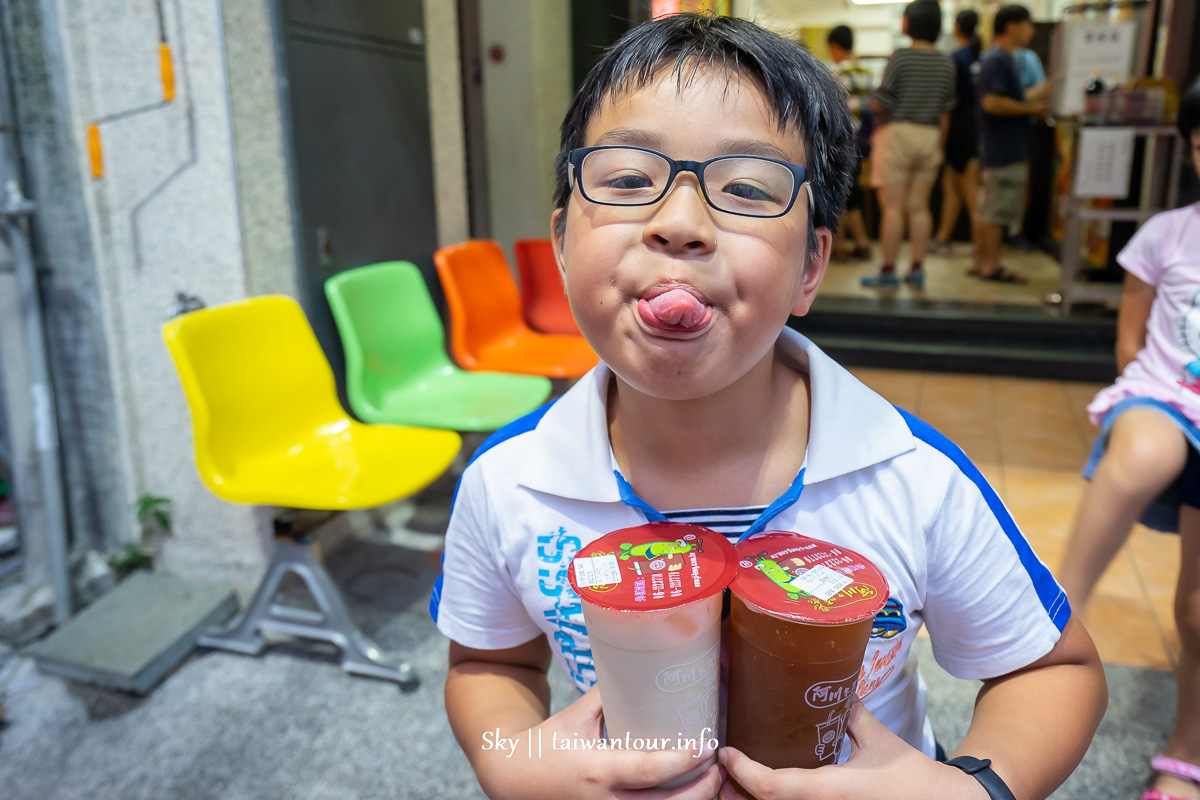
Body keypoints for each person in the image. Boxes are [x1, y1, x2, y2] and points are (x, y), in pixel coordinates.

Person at [434, 13, 1106, 800]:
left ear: (811, 267)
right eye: (624, 180)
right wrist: (503, 758)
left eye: (747, 189)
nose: (679, 224)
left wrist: (972, 789)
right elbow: (490, 662)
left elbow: (1054, 670)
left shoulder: (910, 479)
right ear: (559, 240)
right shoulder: (507, 482)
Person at [1057, 79, 1200, 800]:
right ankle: (1054, 615)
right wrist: (1144, 391)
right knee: (1143, 451)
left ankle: (1188, 749)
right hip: (1166, 395)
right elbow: (1131, 335)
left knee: (1198, 608)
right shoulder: (1167, 233)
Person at [862, 0, 956, 290]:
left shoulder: (901, 57)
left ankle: (888, 271)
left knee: (893, 208)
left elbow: (881, 102)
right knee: (920, 206)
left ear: (907, 23)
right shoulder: (946, 61)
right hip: (930, 136)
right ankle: (917, 269)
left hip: (898, 135)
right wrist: (940, 145)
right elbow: (946, 110)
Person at [972, 4, 1047, 284]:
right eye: (1028, 23)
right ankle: (991, 265)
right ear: (1013, 25)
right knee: (996, 211)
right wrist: (1031, 110)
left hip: (997, 149)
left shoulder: (998, 58)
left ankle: (981, 263)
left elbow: (1008, 96)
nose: (1032, 30)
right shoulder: (999, 59)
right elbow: (991, 102)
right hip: (1005, 149)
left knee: (987, 208)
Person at [931, 10, 982, 255]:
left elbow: (947, 102)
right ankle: (943, 238)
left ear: (957, 28)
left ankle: (981, 244)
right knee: (951, 186)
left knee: (968, 187)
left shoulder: (956, 57)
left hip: (958, 128)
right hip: (973, 126)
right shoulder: (978, 55)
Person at [827, 24, 873, 262]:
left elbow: (837, 110)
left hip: (844, 140)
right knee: (852, 194)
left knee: (839, 192)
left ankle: (841, 246)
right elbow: (867, 106)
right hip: (863, 140)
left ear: (835, 46)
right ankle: (862, 243)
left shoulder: (838, 72)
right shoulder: (866, 70)